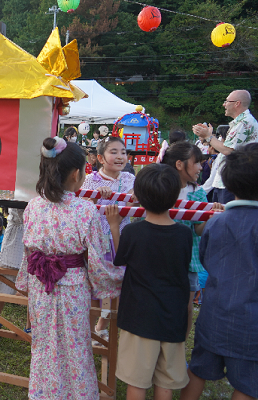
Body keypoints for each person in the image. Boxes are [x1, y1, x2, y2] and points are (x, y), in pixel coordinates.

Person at [15, 136, 124, 399]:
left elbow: (28, 253)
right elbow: (98, 261)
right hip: (73, 287)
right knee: (75, 347)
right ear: (77, 174)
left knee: (44, 346)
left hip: (41, 286)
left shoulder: (33, 206)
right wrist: (118, 277)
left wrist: (24, 282)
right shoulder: (85, 210)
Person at [180, 143, 258, 400]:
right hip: (250, 323)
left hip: (213, 315)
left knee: (198, 371)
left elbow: (206, 258)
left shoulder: (215, 222)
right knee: (247, 385)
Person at [113, 163, 193, 400]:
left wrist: (114, 226)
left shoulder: (133, 232)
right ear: (174, 196)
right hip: (173, 316)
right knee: (165, 383)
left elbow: (121, 259)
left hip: (139, 316)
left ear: (140, 197)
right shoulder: (184, 234)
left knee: (137, 382)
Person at [161, 142, 224, 337]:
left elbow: (199, 230)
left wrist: (210, 218)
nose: (200, 167)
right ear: (179, 164)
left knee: (187, 307)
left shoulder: (198, 193)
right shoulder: (160, 189)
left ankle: (179, 344)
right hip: (162, 257)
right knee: (163, 304)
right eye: (197, 163)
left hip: (189, 259)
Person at [80, 136, 135, 342]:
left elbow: (137, 202)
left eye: (123, 152)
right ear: (101, 158)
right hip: (97, 240)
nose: (120, 156)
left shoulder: (130, 179)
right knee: (94, 284)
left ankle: (102, 326)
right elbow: (83, 205)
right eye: (114, 152)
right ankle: (88, 329)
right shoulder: (91, 179)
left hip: (120, 237)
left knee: (118, 282)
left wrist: (133, 195)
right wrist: (95, 195)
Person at [192, 90, 258, 204]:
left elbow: (228, 150)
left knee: (229, 218)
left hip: (234, 181)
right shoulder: (241, 122)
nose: (224, 104)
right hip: (227, 181)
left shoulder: (244, 123)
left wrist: (208, 136)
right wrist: (208, 135)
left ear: (237, 103)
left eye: (226, 101)